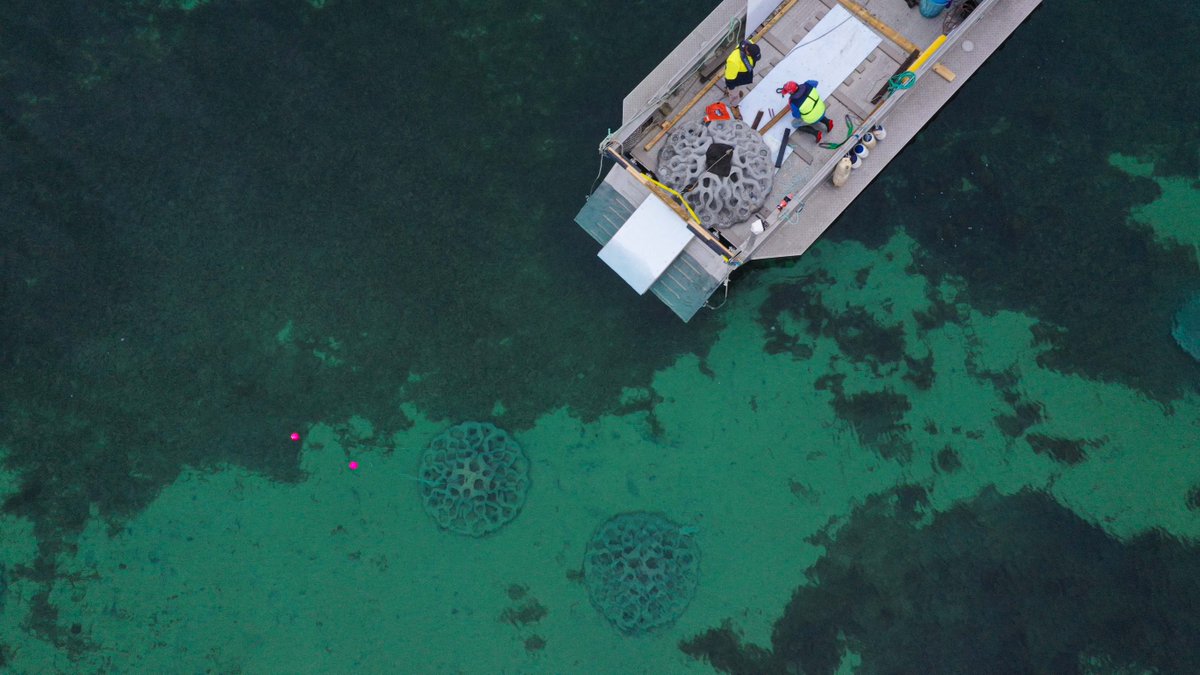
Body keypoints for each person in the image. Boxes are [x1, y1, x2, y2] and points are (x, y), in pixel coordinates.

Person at [723, 39, 761, 107]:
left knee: (735, 89)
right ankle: (734, 105)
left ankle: (730, 91)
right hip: (733, 76)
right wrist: (731, 88)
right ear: (748, 53)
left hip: (740, 72)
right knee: (734, 93)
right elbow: (729, 78)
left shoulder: (749, 44)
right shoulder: (734, 61)